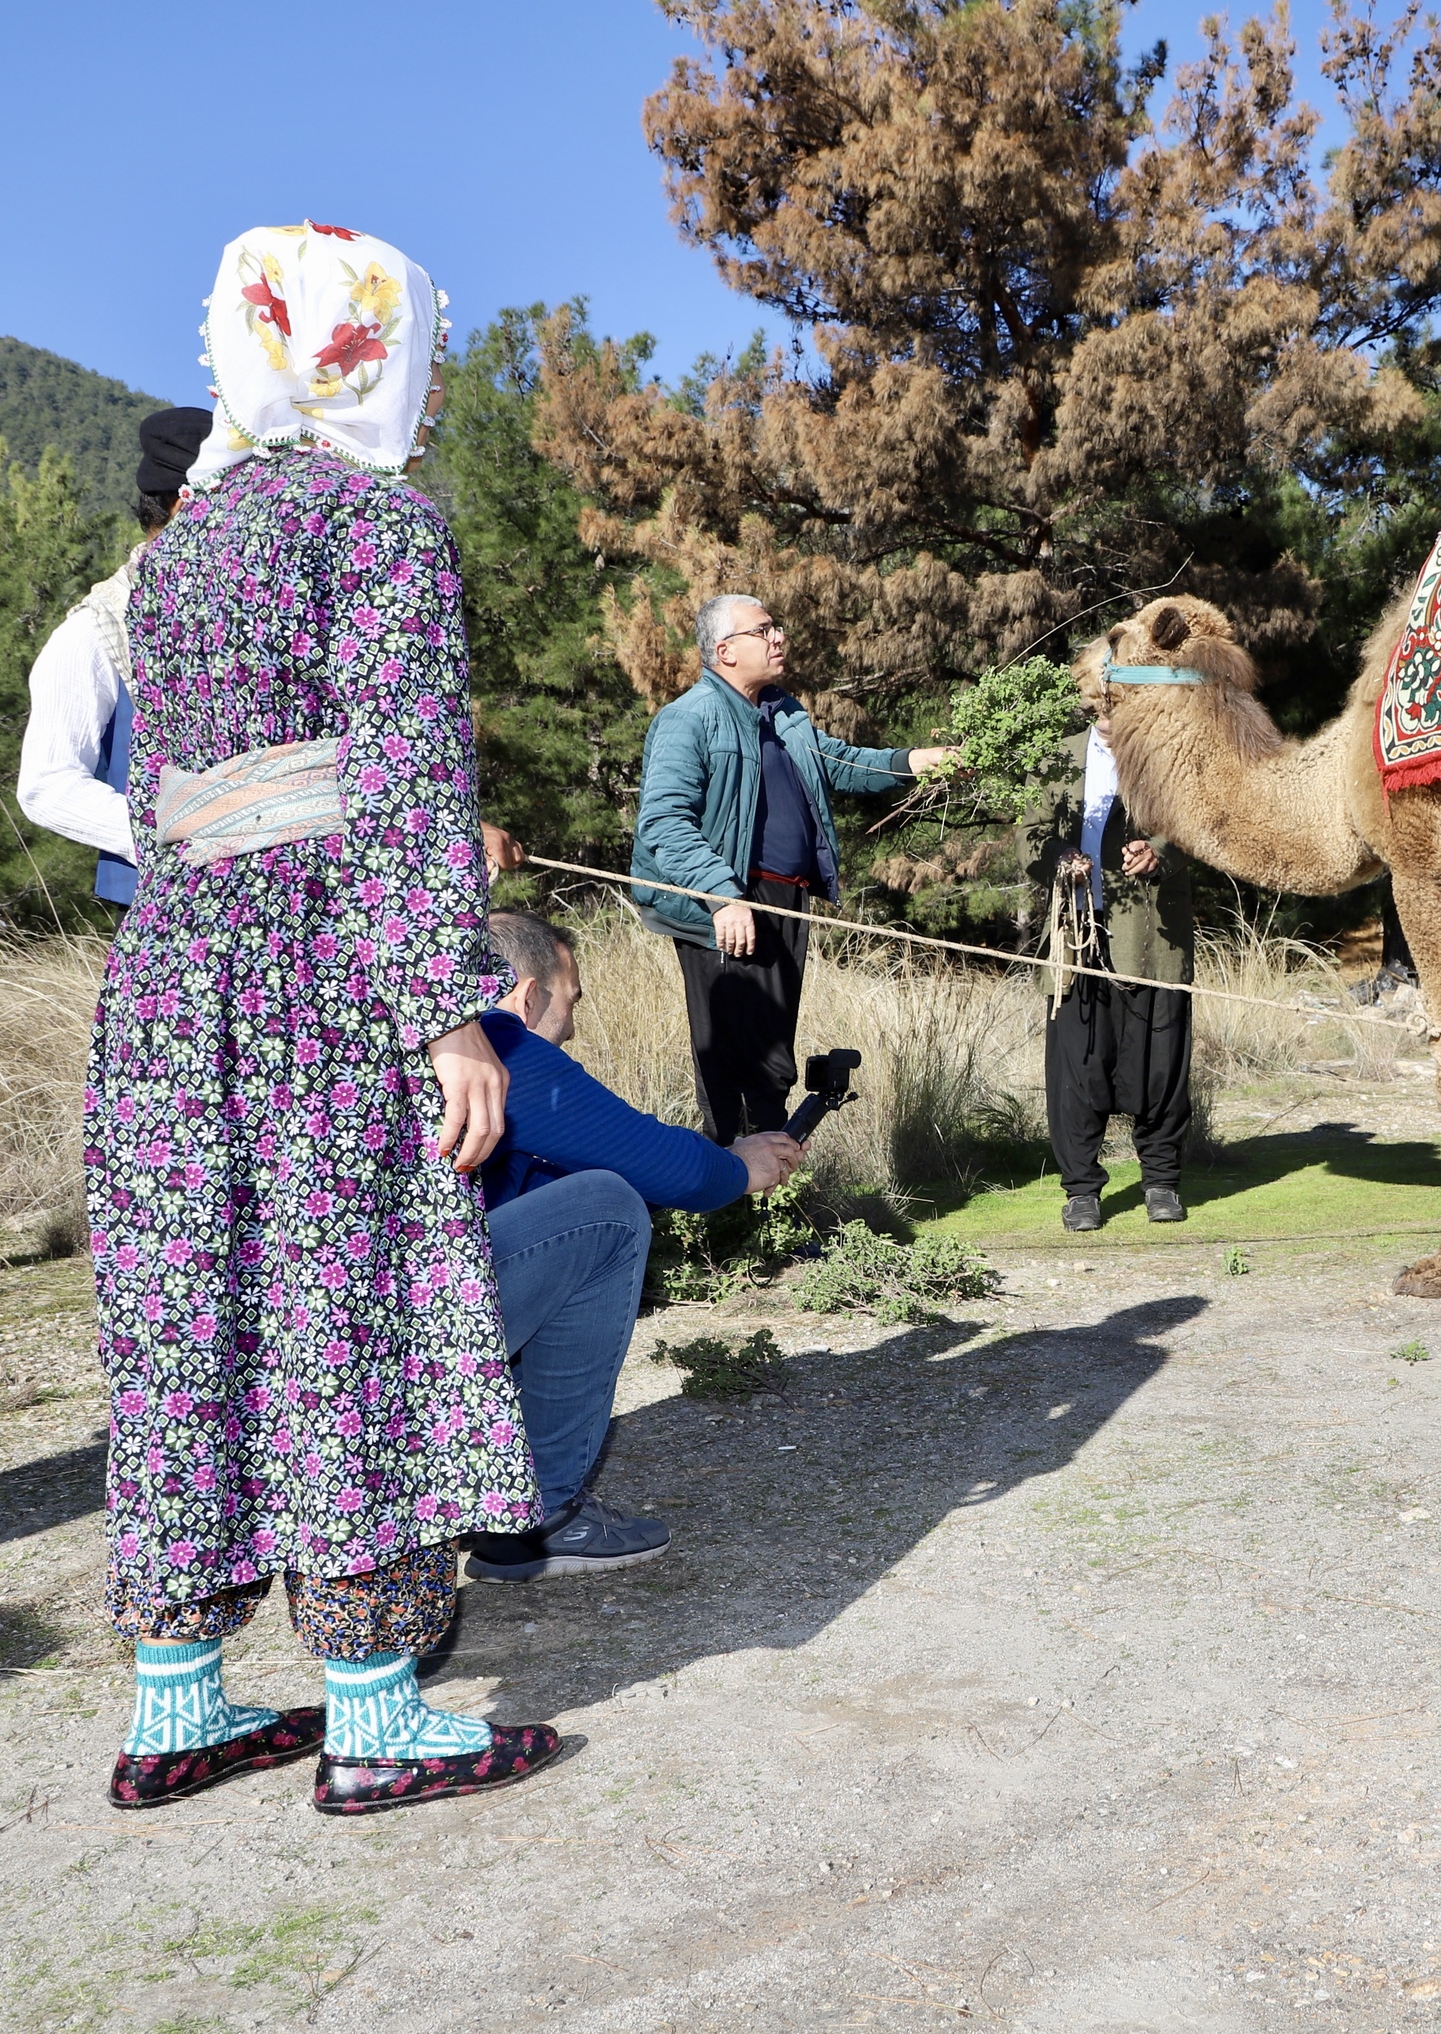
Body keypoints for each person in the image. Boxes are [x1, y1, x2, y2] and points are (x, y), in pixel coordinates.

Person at [91, 223, 557, 1818]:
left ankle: (179, 1698)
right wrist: (449, 1011)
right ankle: (373, 1711)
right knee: (339, 1300)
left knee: (186, 1317)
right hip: (318, 966)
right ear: (368, 352)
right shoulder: (377, 525)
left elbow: (158, 801)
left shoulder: (179, 548)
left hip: (169, 973)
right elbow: (410, 778)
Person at [458, 910, 803, 1581]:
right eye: (570, 1002)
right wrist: (736, 1168)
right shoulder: (500, 1044)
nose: (574, 1027)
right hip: (416, 1333)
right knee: (608, 1212)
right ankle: (541, 1516)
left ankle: (482, 1489)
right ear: (527, 995)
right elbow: (663, 1166)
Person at [630, 595, 953, 1141]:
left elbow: (841, 764)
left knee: (771, 1062)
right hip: (729, 908)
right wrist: (722, 896)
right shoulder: (688, 718)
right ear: (725, 651)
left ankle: (768, 1194)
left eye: (777, 627)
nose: (779, 637)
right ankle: (738, 1204)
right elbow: (663, 823)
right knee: (739, 1070)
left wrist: (914, 763)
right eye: (764, 630)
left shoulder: (783, 713)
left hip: (784, 903)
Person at [15, 407, 213, 907]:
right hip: (162, 905)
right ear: (183, 506)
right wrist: (174, 834)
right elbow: (46, 783)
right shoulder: (97, 627)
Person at [1019, 674, 1195, 1232]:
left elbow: (1200, 827)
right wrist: (1061, 855)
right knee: (1076, 1065)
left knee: (1160, 1064)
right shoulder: (1056, 758)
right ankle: (1081, 1192)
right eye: (1104, 700)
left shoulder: (1171, 759)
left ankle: (1161, 1181)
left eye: (1123, 701)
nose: (1111, 711)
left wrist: (1160, 851)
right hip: (1076, 936)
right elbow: (1030, 837)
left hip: (1153, 941)